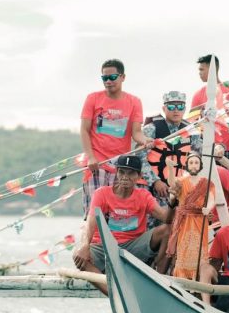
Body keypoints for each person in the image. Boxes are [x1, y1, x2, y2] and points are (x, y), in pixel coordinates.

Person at [72, 155, 173, 295]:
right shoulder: (102, 193)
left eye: (131, 173)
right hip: (105, 247)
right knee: (78, 255)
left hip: (133, 247)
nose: (125, 177)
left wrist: (175, 202)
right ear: (117, 172)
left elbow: (166, 217)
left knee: (168, 230)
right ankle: (116, 295)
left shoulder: (143, 195)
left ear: (139, 176)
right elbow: (90, 222)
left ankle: (159, 284)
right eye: (122, 172)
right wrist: (84, 245)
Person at [80, 59, 151, 219]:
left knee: (115, 213)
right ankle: (90, 241)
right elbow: (84, 130)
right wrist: (90, 157)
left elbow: (136, 133)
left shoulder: (134, 102)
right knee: (94, 213)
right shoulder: (93, 98)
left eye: (112, 77)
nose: (108, 81)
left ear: (122, 77)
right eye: (104, 78)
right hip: (96, 165)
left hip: (120, 168)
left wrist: (146, 140)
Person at [140, 91, 202, 227]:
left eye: (180, 107)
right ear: (164, 108)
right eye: (171, 107)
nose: (176, 111)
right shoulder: (151, 129)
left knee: (176, 225)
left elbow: (198, 156)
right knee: (150, 226)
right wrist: (155, 182)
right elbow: (140, 157)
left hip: (178, 187)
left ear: (185, 109)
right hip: (153, 187)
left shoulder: (192, 131)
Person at [165, 152, 216, 280]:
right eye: (191, 163)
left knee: (200, 248)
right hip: (185, 220)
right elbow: (172, 183)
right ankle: (183, 278)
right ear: (187, 165)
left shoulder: (207, 182)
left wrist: (208, 208)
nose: (194, 165)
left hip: (200, 219)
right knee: (183, 247)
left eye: (196, 163)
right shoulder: (182, 181)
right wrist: (170, 168)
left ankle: (199, 277)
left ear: (200, 165)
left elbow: (211, 198)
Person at [191, 55, 229, 162]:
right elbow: (192, 123)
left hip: (228, 148)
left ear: (212, 69)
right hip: (206, 147)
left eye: (202, 69)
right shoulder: (198, 94)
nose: (199, 73)